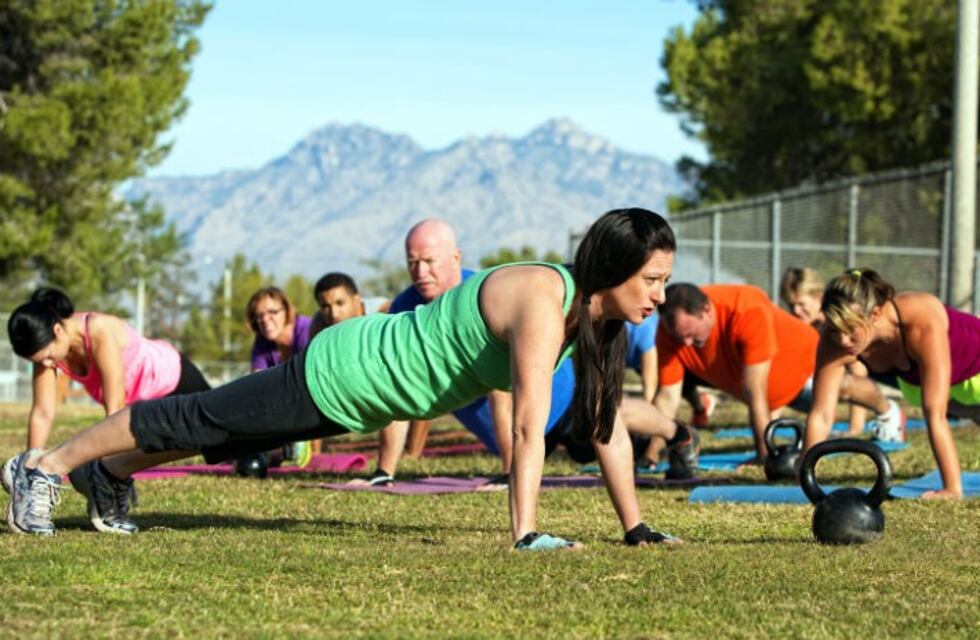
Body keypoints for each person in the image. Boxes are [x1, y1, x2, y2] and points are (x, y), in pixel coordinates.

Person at [6, 207, 687, 550]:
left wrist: (636, 527)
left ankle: (112, 471)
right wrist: (526, 533)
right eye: (652, 280)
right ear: (616, 268)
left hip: (358, 397)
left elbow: (607, 430)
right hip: (344, 368)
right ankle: (43, 466)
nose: (660, 294)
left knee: (218, 438)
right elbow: (527, 424)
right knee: (199, 417)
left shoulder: (598, 323)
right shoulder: (546, 297)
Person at [3, 287, 211, 532]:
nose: (46, 365)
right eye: (38, 362)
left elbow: (115, 412)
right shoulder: (48, 348)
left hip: (173, 378)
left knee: (218, 440)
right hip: (140, 402)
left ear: (58, 331)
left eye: (47, 357)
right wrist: (31, 469)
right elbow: (42, 412)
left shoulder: (98, 329)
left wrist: (111, 471)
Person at [654, 282, 901, 462]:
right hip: (775, 390)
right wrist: (650, 454)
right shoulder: (670, 332)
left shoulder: (744, 309)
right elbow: (667, 397)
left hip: (802, 362)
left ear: (707, 311)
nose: (684, 343)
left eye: (689, 334)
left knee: (845, 388)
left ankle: (888, 412)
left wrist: (765, 455)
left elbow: (755, 391)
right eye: (679, 336)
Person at [804, 268, 976, 499]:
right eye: (835, 330)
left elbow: (935, 414)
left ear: (874, 314)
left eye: (850, 330)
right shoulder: (833, 337)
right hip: (928, 384)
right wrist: (805, 480)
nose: (842, 340)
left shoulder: (920, 320)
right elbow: (821, 414)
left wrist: (952, 488)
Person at [779, 267, 900, 439]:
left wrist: (855, 428)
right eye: (791, 305)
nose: (796, 311)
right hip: (821, 386)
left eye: (801, 304)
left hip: (882, 372)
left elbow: (859, 372)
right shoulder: (798, 327)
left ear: (818, 297)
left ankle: (888, 412)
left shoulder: (836, 327)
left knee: (843, 383)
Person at [309, 272, 366, 339]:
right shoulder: (318, 326)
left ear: (357, 300)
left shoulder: (379, 317)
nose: (334, 314)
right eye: (325, 306)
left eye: (340, 303)